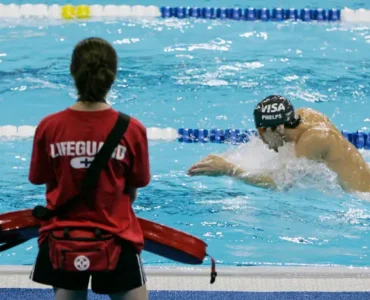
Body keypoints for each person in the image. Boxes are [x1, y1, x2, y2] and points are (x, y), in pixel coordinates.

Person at [28, 37, 151, 300]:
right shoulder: (132, 129)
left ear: (73, 72)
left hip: (62, 237)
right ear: (113, 75)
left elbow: (41, 180)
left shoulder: (50, 126)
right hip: (117, 236)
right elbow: (134, 188)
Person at [188, 95, 370, 193]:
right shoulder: (305, 116)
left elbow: (280, 184)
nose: (261, 138)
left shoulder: (314, 139)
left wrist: (229, 169)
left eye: (262, 132)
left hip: (363, 198)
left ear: (279, 128)